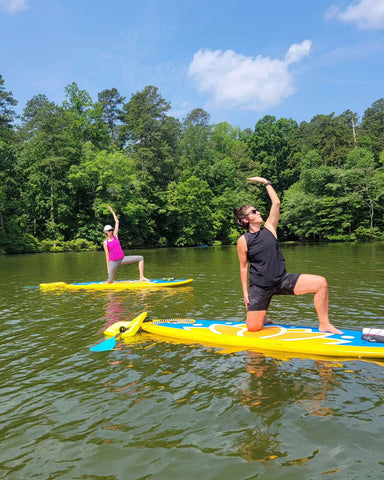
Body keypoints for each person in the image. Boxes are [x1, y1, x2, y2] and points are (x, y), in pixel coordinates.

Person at [234, 176, 342, 335]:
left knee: (321, 284)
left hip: (281, 280)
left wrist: (266, 182)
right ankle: (262, 317)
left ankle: (325, 324)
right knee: (253, 328)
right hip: (260, 287)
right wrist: (245, 292)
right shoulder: (243, 240)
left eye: (257, 210)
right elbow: (243, 267)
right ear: (245, 219)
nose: (259, 212)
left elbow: (276, 203)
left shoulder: (270, 228)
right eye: (254, 211)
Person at [103, 205, 148, 283]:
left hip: (122, 259)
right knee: (110, 281)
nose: (111, 231)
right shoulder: (105, 242)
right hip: (113, 261)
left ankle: (141, 277)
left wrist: (111, 210)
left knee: (140, 258)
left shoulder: (115, 236)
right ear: (106, 232)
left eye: (111, 230)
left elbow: (117, 222)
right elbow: (107, 255)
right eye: (109, 230)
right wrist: (108, 267)